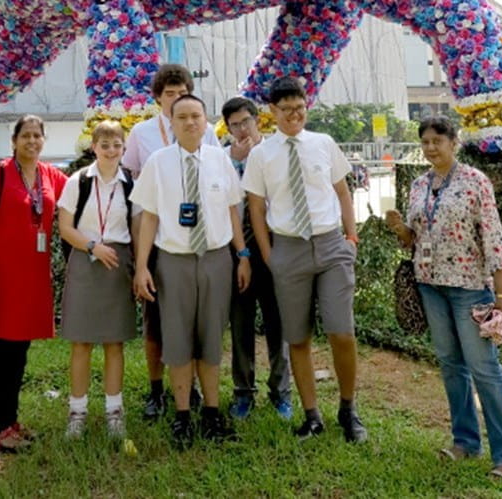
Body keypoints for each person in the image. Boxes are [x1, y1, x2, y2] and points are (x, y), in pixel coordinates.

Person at [384, 116, 502, 481]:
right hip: (430, 286)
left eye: (438, 141)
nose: (431, 148)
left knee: (484, 369)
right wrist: (400, 227)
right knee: (450, 365)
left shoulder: (474, 182)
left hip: (469, 288)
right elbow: (414, 239)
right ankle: (465, 441)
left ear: (454, 142)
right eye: (426, 142)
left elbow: (493, 238)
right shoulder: (419, 184)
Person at [242, 76, 368, 443]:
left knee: (341, 331)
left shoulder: (323, 144)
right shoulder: (261, 155)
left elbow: (342, 191)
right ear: (272, 112)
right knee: (297, 337)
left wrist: (351, 237)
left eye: (299, 108)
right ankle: (312, 415)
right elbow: (256, 208)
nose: (294, 115)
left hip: (331, 247)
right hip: (288, 251)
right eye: (286, 109)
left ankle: (348, 409)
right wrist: (269, 255)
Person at [131, 94, 251, 449]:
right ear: (171, 122)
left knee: (212, 338)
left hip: (216, 259)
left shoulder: (219, 160)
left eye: (196, 116)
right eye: (181, 117)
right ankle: (183, 415)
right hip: (174, 261)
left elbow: (232, 210)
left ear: (205, 120)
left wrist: (242, 254)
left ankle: (212, 413)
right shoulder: (158, 162)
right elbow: (149, 217)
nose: (190, 123)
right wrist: (141, 267)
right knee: (178, 338)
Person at [122, 64, 221, 420]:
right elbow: (133, 178)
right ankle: (155, 390)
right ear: (158, 98)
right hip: (153, 223)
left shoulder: (205, 130)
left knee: (193, 317)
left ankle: (192, 387)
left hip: (194, 235)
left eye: (182, 93)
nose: (176, 99)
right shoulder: (141, 133)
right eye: (169, 94)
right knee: (156, 317)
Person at [0, 114, 69, 452]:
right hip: (4, 275)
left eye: (38, 136)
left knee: (19, 351)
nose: (32, 141)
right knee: (2, 352)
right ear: (14, 141)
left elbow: (79, 193)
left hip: (34, 277)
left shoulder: (50, 176)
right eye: (26, 135)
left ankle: (11, 422)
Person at [57, 121, 139, 439]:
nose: (110, 150)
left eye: (116, 144)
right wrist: (93, 246)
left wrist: (136, 267)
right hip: (86, 260)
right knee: (81, 342)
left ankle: (114, 412)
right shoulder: (78, 181)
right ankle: (77, 413)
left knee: (114, 341)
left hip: (117, 264)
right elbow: (65, 227)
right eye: (104, 144)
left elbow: (137, 226)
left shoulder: (130, 183)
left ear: (124, 147)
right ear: (94, 147)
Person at [220, 96, 292, 420]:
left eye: (245, 121)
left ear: (257, 120)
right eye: (234, 124)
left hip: (276, 246)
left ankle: (281, 393)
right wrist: (236, 161)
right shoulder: (222, 160)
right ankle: (243, 392)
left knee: (279, 322)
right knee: (241, 323)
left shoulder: (277, 151)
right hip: (238, 251)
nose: (241, 129)